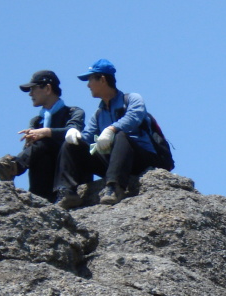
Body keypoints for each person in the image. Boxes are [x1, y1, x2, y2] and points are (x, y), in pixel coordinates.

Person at [51, 59, 166, 208]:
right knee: (71, 145)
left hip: (141, 158)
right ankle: (67, 193)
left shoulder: (132, 99)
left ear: (103, 79)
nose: (88, 85)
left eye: (90, 79)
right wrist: (75, 135)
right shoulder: (99, 114)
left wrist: (111, 129)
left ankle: (114, 187)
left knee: (121, 136)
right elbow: (87, 137)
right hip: (115, 161)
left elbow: (133, 118)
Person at [0, 71, 85, 202]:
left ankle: (13, 167)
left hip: (69, 171)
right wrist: (30, 142)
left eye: (33, 89)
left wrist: (45, 132)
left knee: (44, 141)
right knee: (39, 146)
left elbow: (74, 131)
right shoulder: (37, 121)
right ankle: (34, 192)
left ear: (48, 88)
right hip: (45, 175)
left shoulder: (73, 112)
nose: (30, 94)